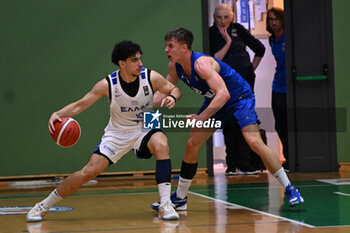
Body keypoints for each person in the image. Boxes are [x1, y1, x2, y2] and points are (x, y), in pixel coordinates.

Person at [26, 40, 182, 222]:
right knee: (88, 172)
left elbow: (175, 89)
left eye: (140, 59)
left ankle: (165, 204)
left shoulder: (150, 76)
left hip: (146, 124)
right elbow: (80, 105)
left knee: (161, 144)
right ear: (122, 63)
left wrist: (172, 97)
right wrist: (57, 113)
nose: (140, 63)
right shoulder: (107, 84)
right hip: (117, 132)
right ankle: (43, 206)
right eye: (134, 60)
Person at [151, 28, 303, 210]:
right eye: (166, 46)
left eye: (170, 46)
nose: (166, 50)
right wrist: (142, 111)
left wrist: (201, 117)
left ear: (184, 48)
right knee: (193, 144)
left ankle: (290, 188)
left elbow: (224, 94)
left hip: (239, 98)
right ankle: (180, 198)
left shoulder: (201, 64)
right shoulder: (174, 66)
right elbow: (164, 90)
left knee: (254, 142)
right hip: (215, 101)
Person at [209, 3, 265, 175]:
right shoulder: (211, 33)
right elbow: (212, 60)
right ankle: (231, 164)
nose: (223, 21)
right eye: (219, 17)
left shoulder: (239, 29)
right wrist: (227, 42)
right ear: (214, 18)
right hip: (224, 83)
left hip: (245, 82)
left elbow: (260, 49)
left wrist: (251, 69)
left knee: (245, 120)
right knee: (229, 122)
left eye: (226, 17)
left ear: (232, 17)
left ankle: (245, 163)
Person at [266, 7, 289, 170]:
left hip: (291, 87)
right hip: (277, 86)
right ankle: (287, 156)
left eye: (276, 19)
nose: (274, 22)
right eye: (271, 20)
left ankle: (292, 157)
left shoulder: (290, 36)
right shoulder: (271, 39)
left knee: (291, 124)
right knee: (279, 125)